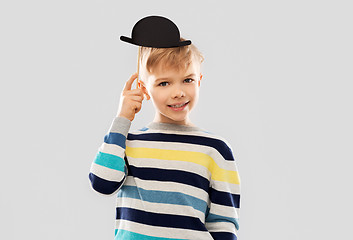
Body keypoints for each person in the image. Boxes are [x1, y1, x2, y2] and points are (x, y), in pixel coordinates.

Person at [88, 36, 241, 239]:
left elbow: (223, 225)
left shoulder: (215, 149)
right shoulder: (128, 143)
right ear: (144, 89)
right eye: (164, 83)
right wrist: (122, 120)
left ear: (199, 81)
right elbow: (102, 183)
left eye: (187, 80)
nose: (178, 92)